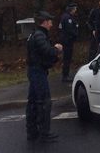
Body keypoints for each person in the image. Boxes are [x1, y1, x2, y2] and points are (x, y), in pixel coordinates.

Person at [26, 11, 63, 143]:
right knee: (44, 102)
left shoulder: (34, 34)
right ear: (44, 22)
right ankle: (44, 133)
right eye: (50, 21)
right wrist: (57, 49)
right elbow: (47, 52)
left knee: (33, 102)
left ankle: (32, 132)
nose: (52, 24)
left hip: (35, 71)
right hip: (38, 72)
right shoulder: (39, 35)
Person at [58, 2, 79, 82]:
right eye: (75, 9)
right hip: (67, 41)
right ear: (72, 9)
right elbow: (69, 30)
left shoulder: (67, 16)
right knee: (67, 58)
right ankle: (65, 75)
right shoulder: (67, 18)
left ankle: (66, 74)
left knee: (67, 58)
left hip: (67, 40)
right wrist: (75, 34)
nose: (76, 10)